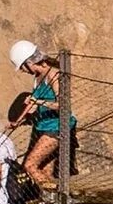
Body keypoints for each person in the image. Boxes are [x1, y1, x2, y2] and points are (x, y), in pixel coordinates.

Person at [7, 40, 73, 189]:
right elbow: (33, 105)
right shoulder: (37, 78)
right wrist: (18, 122)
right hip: (45, 127)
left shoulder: (53, 75)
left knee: (30, 165)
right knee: (45, 171)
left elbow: (63, 105)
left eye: (23, 66)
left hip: (56, 128)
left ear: (30, 62)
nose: (23, 70)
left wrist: (39, 102)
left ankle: (53, 196)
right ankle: (52, 197)